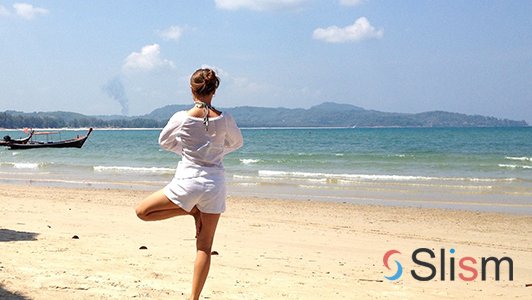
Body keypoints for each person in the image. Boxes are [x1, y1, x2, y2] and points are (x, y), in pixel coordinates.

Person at [135, 68, 243, 300]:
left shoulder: (181, 117)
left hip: (188, 182)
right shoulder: (226, 118)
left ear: (192, 90)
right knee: (204, 247)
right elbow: (237, 143)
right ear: (214, 91)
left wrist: (186, 151)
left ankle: (190, 210)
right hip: (215, 185)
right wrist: (216, 152)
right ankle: (193, 299)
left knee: (142, 212)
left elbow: (164, 141)